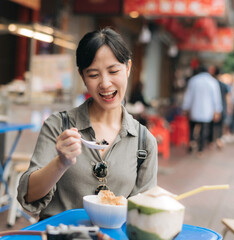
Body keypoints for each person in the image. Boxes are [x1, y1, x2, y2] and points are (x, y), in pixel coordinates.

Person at [17, 27, 158, 220]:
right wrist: (61, 163)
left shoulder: (144, 142)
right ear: (82, 77)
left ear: (128, 68)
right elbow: (28, 196)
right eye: (93, 75)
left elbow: (142, 214)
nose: (105, 83)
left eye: (113, 71)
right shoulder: (58, 125)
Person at [182, 65, 222, 157]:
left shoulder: (193, 80)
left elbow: (188, 96)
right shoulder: (213, 82)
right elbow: (216, 98)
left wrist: (185, 107)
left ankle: (192, 141)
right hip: (207, 111)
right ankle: (200, 150)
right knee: (204, 130)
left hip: (194, 109)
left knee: (192, 127)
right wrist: (217, 110)